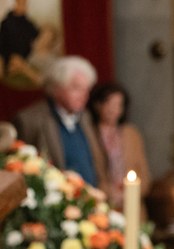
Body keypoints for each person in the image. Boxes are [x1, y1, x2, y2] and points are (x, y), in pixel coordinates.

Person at [13, 56, 110, 194]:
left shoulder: (85, 117)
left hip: (90, 198)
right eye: (76, 88)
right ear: (56, 88)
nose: (84, 95)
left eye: (87, 89)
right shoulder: (29, 120)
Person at [88, 82, 151, 212]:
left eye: (118, 105)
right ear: (98, 105)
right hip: (103, 205)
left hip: (132, 204)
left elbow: (144, 173)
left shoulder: (131, 134)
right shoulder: (89, 134)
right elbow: (90, 173)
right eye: (109, 104)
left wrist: (131, 192)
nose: (114, 110)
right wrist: (109, 192)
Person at [0, 0, 38, 67]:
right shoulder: (6, 23)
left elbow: (37, 38)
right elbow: (2, 44)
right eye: (20, 2)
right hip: (9, 62)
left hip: (26, 61)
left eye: (24, 2)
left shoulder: (29, 24)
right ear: (16, 2)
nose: (23, 5)